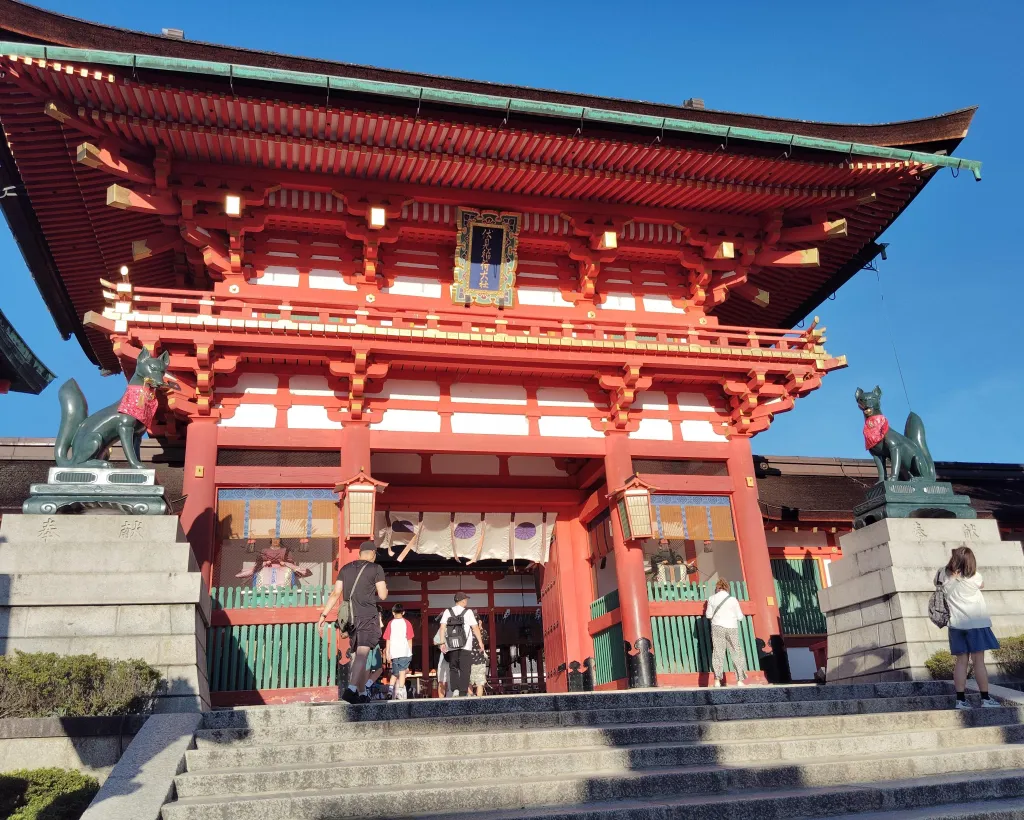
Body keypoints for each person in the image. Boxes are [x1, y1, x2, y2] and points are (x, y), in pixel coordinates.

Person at [317, 541, 388, 705]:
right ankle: (351, 690)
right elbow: (383, 595)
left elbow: (336, 594)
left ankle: (362, 693)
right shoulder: (376, 568)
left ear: (359, 553)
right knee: (363, 654)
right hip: (367, 616)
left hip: (351, 619)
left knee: (358, 656)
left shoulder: (345, 569)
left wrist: (323, 616)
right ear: (373, 554)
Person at [940, 546, 1001, 709]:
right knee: (978, 662)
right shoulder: (975, 577)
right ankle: (985, 699)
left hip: (956, 625)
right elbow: (982, 585)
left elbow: (938, 581)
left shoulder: (942, 575)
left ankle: (960, 700)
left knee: (961, 662)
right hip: (976, 624)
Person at [439, 592, 485, 697]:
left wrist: (442, 643)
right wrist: (480, 642)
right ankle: (463, 691)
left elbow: (442, 628)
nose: (467, 601)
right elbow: (475, 628)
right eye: (466, 599)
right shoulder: (468, 612)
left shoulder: (447, 611)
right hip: (466, 646)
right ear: (463, 600)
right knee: (465, 669)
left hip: (451, 645)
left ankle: (455, 689)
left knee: (453, 667)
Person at [705, 578, 747, 687]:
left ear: (717, 588)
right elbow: (740, 617)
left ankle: (717, 680)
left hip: (717, 626)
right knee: (736, 652)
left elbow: (708, 615)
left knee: (718, 652)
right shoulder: (733, 600)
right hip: (731, 627)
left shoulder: (711, 599)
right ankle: (739, 680)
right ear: (727, 588)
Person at [384, 603, 415, 700]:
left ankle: (390, 690)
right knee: (402, 672)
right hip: (404, 651)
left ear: (393, 613)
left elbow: (387, 639)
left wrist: (387, 652)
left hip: (394, 651)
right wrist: (410, 651)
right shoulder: (407, 623)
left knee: (395, 672)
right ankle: (401, 691)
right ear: (403, 612)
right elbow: (410, 639)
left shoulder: (390, 623)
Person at [469, 623, 488, 696]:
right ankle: (478, 701)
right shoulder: (482, 632)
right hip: (480, 661)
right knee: (480, 683)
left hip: (468, 661)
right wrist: (480, 626)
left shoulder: (467, 632)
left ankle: (470, 698)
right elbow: (485, 638)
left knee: (469, 682)